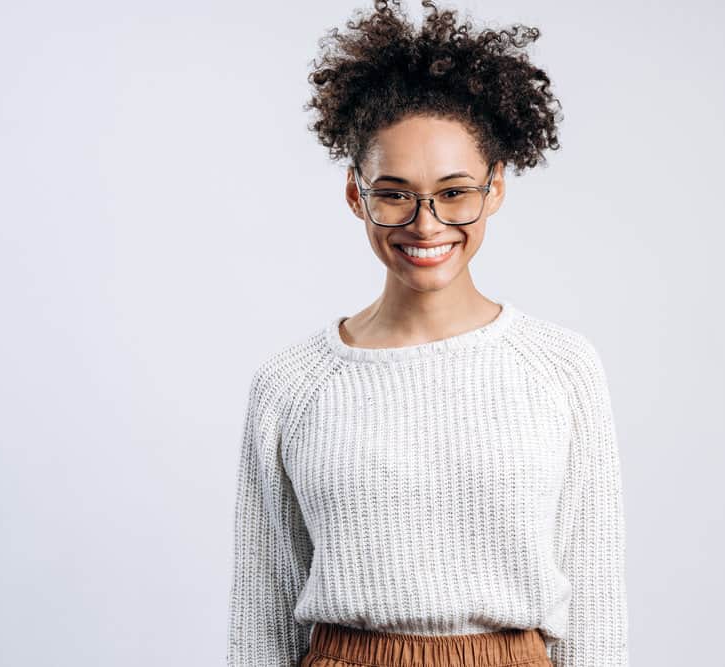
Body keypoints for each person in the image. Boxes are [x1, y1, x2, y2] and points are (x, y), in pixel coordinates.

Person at [225, 1, 628, 666]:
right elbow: (260, 614)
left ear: (496, 186)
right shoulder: (290, 385)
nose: (426, 222)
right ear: (356, 195)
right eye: (394, 193)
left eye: (455, 191)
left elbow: (596, 607)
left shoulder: (561, 367)